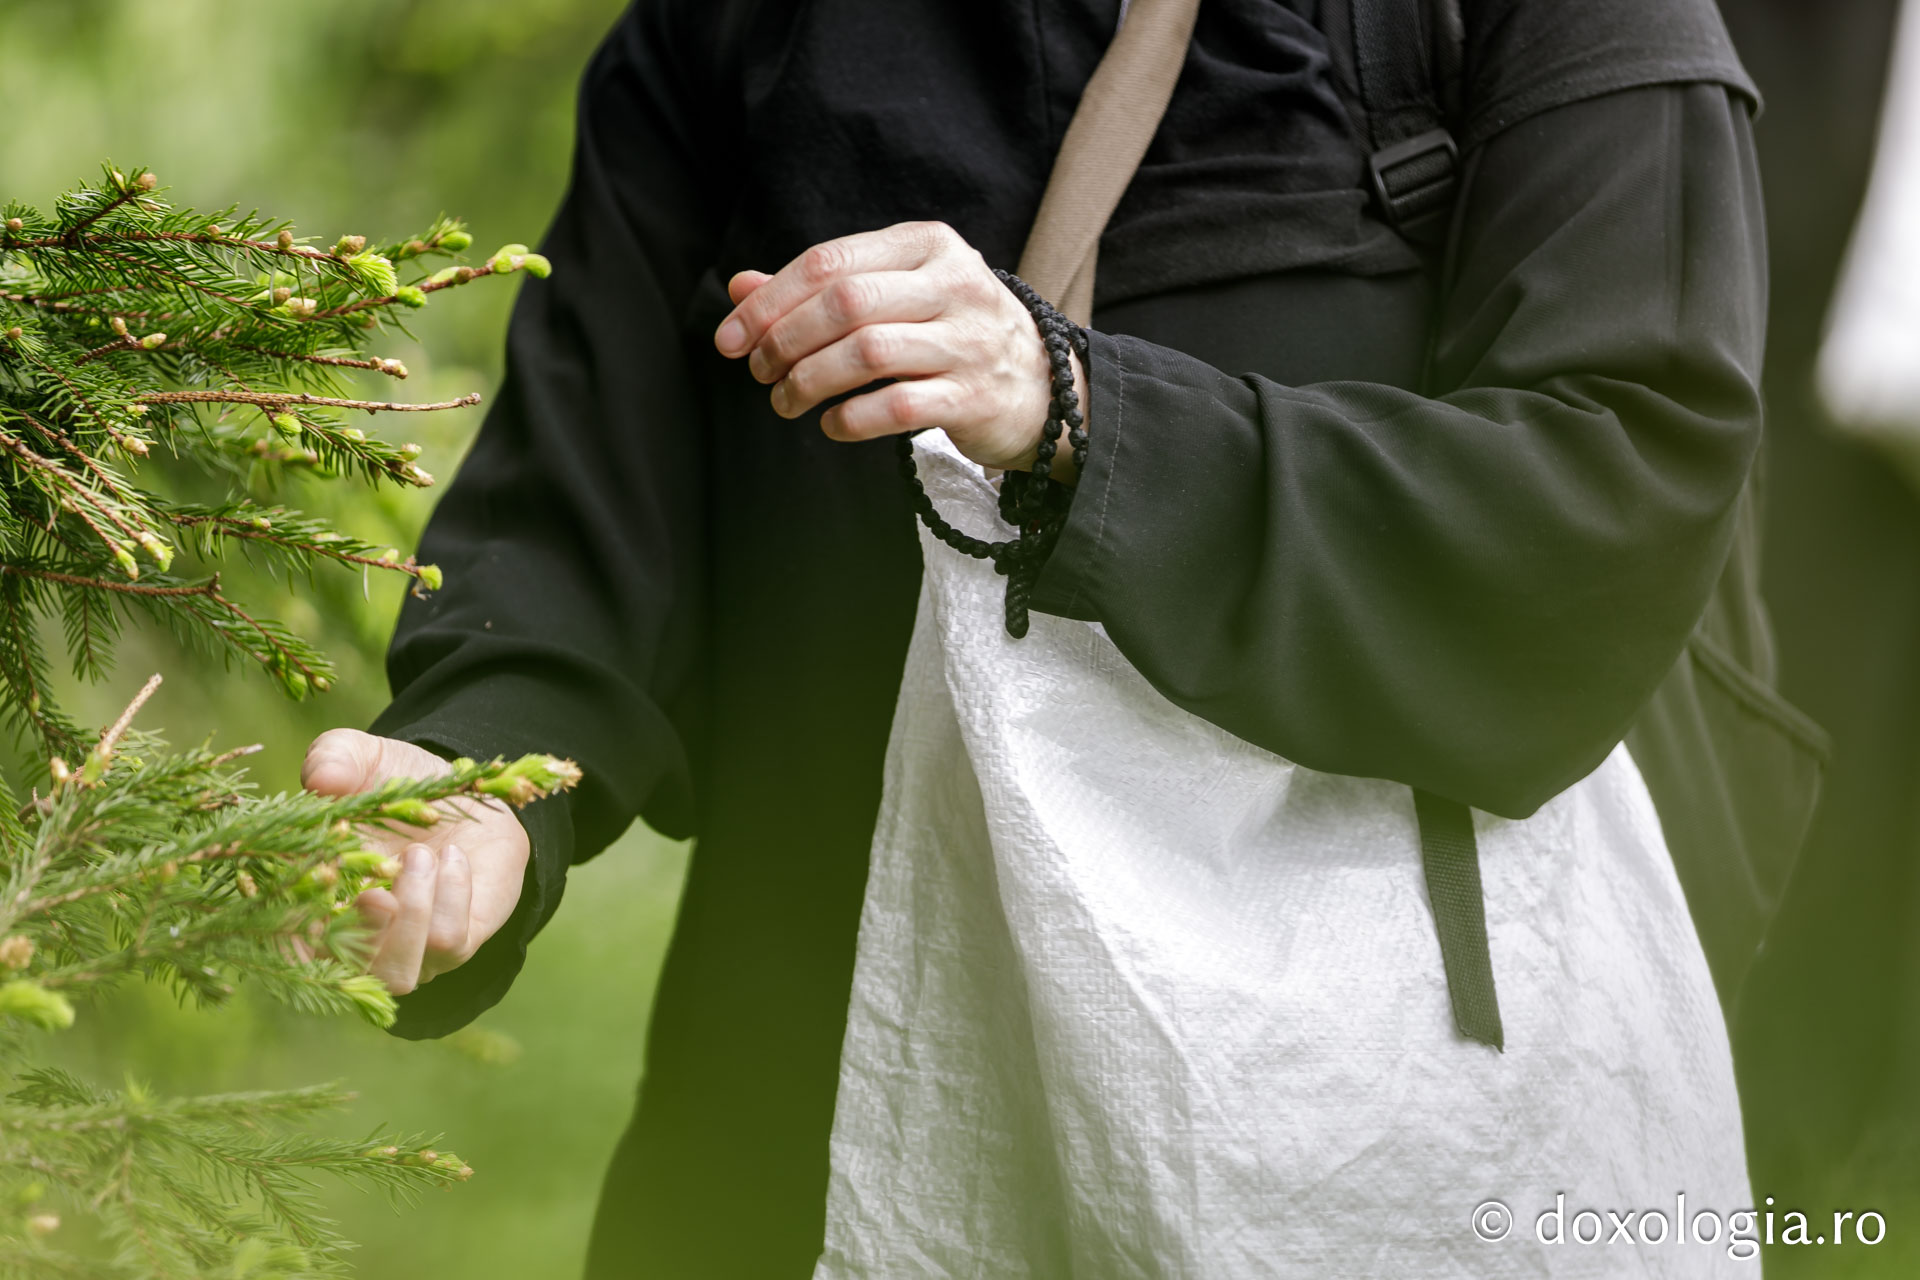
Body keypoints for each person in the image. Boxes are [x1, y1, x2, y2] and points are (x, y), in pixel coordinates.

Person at [301, 0, 1778, 1273]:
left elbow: (1613, 496)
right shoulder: (734, 25)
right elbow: (589, 511)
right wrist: (473, 783)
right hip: (821, 1079)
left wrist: (1077, 412)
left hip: (1392, 1107)